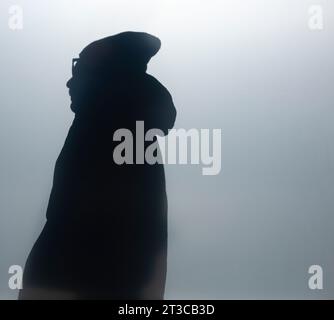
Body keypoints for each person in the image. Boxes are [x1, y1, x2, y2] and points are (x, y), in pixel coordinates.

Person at [19, 31, 177, 300]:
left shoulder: (106, 123)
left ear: (104, 76)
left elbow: (79, 225)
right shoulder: (124, 126)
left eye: (80, 69)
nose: (70, 82)